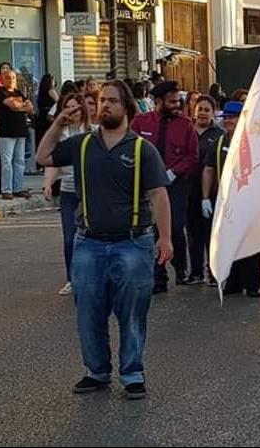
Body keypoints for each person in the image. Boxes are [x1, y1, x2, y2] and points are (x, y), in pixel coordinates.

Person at [36, 79, 174, 401]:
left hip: (133, 244)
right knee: (89, 312)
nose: (105, 106)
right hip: (89, 244)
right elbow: (44, 157)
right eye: (101, 101)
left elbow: (159, 196)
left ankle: (132, 373)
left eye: (112, 101)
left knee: (132, 312)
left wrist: (164, 239)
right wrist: (59, 122)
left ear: (126, 107)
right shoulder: (82, 144)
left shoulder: (142, 149)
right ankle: (96, 372)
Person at [131, 81, 199, 293]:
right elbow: (131, 148)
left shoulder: (185, 124)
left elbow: (192, 156)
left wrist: (173, 172)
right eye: (171, 102)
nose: (176, 105)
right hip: (146, 185)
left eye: (178, 100)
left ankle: (180, 267)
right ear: (157, 101)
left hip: (175, 184)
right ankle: (158, 277)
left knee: (175, 227)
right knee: (151, 229)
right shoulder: (141, 123)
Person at [201, 101, 260, 296]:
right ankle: (234, 282)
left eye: (232, 117)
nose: (228, 121)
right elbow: (209, 169)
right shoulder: (219, 142)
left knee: (252, 242)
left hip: (249, 199)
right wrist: (205, 198)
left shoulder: (253, 141)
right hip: (225, 201)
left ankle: (252, 285)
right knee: (230, 242)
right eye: (226, 117)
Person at [43, 93, 90, 296]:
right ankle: (72, 279)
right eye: (67, 107)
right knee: (69, 238)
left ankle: (92, 275)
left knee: (90, 237)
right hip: (68, 192)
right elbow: (52, 163)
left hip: (89, 192)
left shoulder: (92, 132)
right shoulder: (59, 135)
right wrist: (47, 184)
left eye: (75, 107)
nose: (72, 111)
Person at [186, 95, 223, 286]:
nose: (202, 113)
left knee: (211, 234)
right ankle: (196, 271)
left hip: (211, 192)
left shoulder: (219, 134)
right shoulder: (187, 130)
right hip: (189, 190)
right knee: (193, 234)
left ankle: (213, 272)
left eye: (207, 110)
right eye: (200, 109)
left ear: (213, 113)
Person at [0, 70, 34, 200]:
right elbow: (12, 105)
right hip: (7, 132)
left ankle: (17, 188)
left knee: (19, 161)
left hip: (21, 131)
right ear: (2, 79)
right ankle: (7, 189)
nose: (11, 80)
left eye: (12, 77)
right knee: (7, 162)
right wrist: (19, 106)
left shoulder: (19, 93)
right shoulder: (0, 93)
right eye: (7, 78)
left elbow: (30, 108)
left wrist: (19, 106)